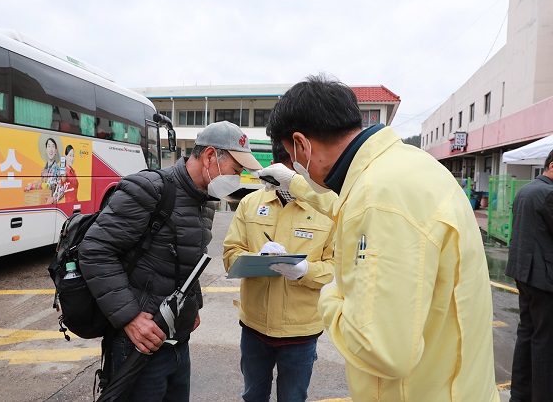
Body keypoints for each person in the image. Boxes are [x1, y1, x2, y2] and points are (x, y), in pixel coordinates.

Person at [257, 74, 500, 401]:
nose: (298, 168)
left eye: (292, 157)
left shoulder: (378, 197)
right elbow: (347, 202)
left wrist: (331, 294)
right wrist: (294, 182)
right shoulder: (403, 167)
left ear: (301, 144)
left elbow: (382, 349)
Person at [78, 121, 262, 402]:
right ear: (210, 156)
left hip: (177, 341)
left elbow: (187, 259)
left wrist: (193, 305)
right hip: (139, 343)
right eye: (236, 171)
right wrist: (129, 317)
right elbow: (95, 250)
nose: (237, 179)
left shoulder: (205, 202)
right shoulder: (149, 189)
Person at [222, 141, 336, 402]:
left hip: (301, 332)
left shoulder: (327, 210)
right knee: (253, 395)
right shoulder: (250, 203)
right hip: (254, 326)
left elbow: (337, 270)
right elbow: (230, 255)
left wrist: (305, 270)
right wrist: (254, 258)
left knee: (293, 397)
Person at [504, 149, 553, 402]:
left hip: (523, 272)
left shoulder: (527, 190)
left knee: (527, 334)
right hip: (544, 277)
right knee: (545, 340)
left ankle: (520, 394)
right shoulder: (548, 193)